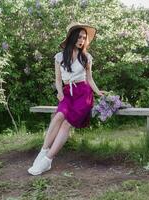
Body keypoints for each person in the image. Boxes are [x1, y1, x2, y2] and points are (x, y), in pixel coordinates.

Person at [28, 22, 106, 175]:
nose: (81, 40)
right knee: (58, 117)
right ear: (71, 38)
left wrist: (98, 92)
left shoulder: (87, 57)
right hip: (67, 93)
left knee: (66, 124)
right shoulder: (59, 57)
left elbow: (90, 79)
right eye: (78, 37)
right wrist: (60, 92)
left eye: (84, 37)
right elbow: (58, 80)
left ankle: (47, 161)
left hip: (84, 94)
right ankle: (42, 152)